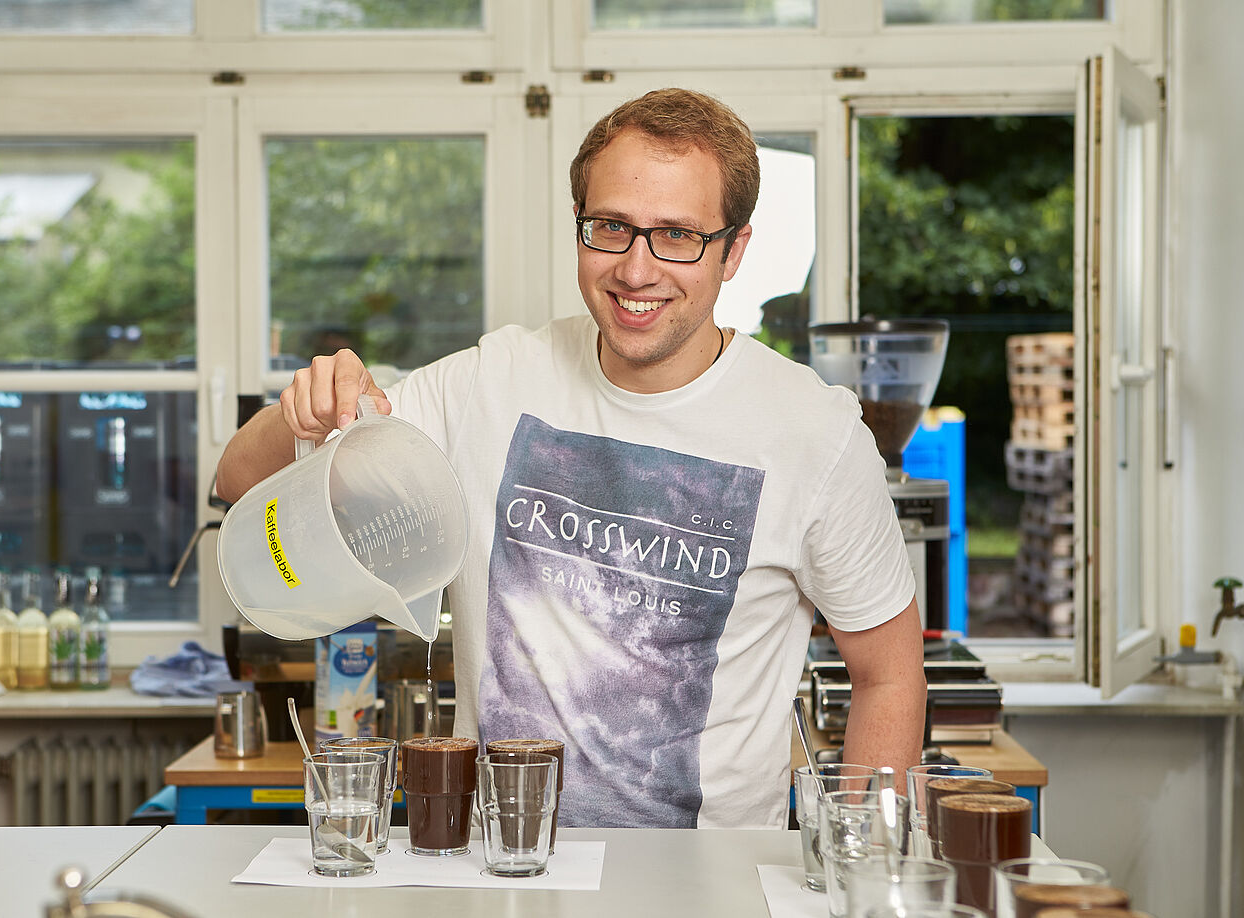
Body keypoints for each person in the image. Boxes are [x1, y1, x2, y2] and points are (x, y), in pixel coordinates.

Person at [216, 88, 926, 828]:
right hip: (502, 870)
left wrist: (866, 858)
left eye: (677, 235)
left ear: (734, 251)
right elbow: (240, 478)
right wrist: (307, 408)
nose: (637, 270)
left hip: (709, 880)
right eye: (611, 227)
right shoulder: (487, 383)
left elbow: (890, 675)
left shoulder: (815, 432)